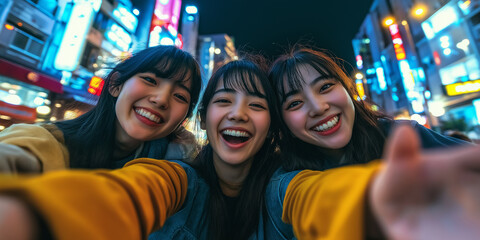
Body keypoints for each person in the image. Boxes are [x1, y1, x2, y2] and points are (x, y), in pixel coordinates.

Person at [1, 57, 480, 240]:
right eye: (222, 101)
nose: (237, 114)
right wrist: (37, 216)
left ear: (272, 126)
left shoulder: (286, 182)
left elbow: (318, 197)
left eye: (257, 104)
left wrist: (379, 206)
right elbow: (129, 193)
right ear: (205, 118)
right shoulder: (174, 173)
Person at [265, 47, 470, 239]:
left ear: (348, 88)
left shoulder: (404, 135)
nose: (318, 107)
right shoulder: (286, 183)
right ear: (282, 122)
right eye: (295, 103)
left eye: (325, 87)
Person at [0, 45, 202, 172]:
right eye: (150, 80)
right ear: (115, 85)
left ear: (185, 115)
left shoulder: (178, 163)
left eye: (179, 96)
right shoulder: (45, 141)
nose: (161, 100)